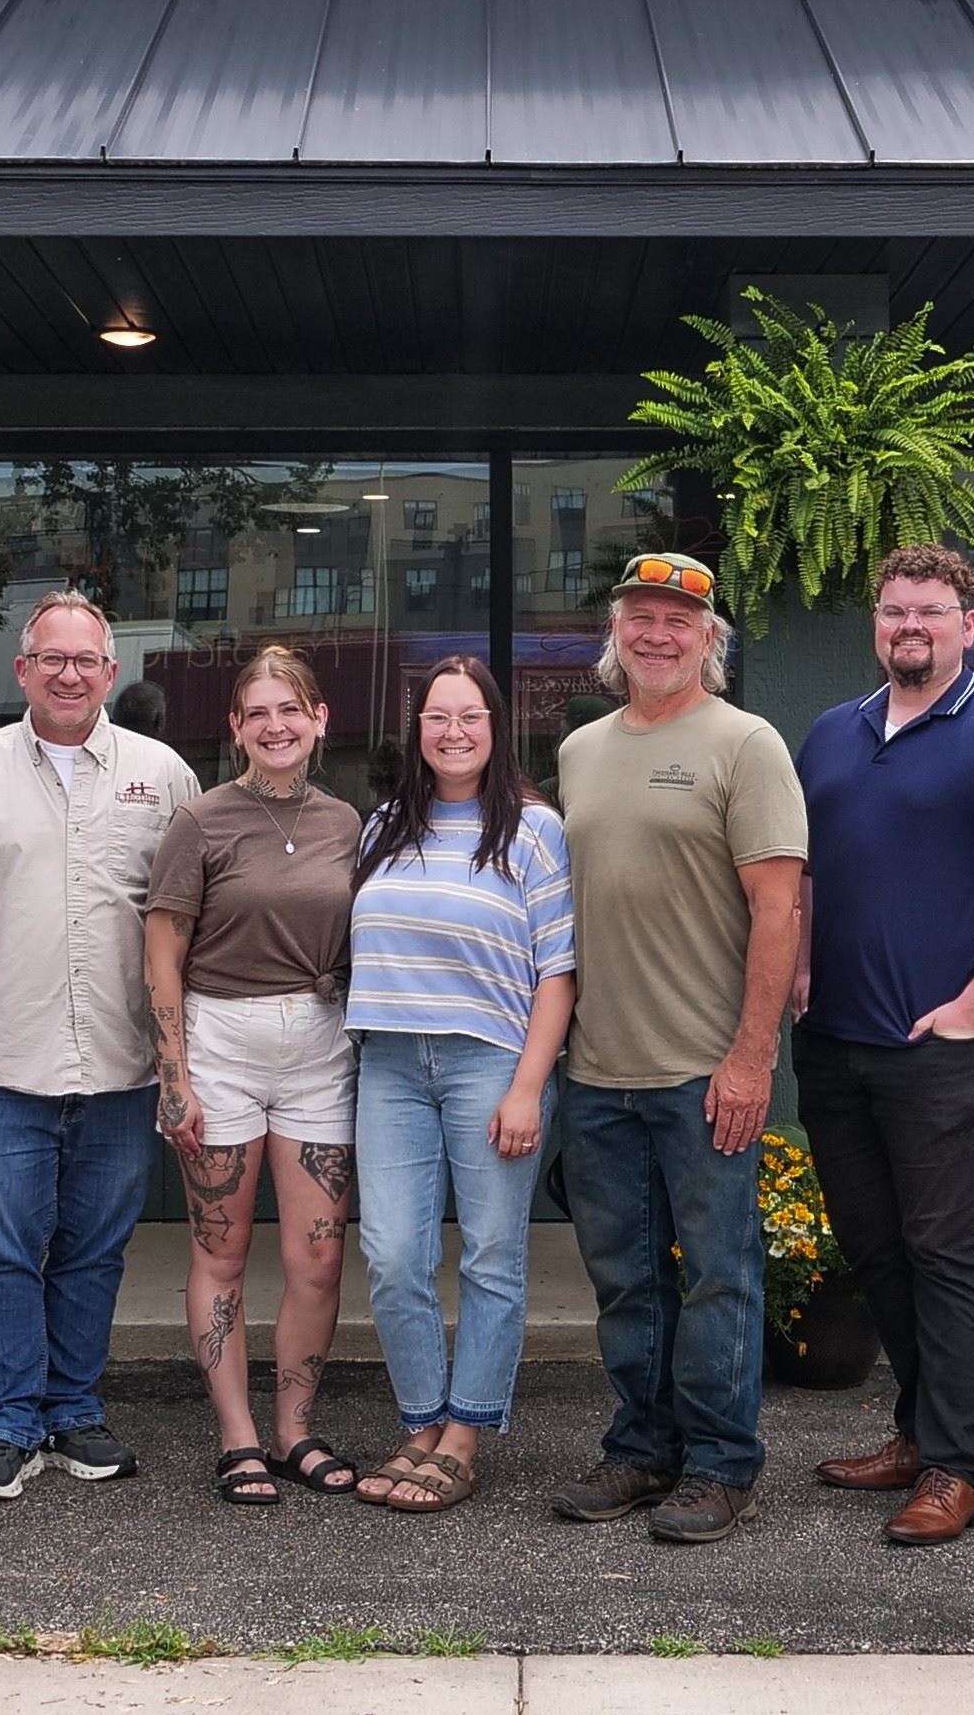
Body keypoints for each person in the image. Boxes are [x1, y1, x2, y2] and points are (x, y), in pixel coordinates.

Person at [794, 546, 974, 1547]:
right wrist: (794, 963)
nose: (906, 626)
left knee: (944, 1247)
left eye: (928, 610)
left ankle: (957, 1465)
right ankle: (915, 1433)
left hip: (948, 1049)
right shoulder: (832, 734)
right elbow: (798, 876)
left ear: (968, 623)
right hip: (835, 1040)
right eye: (890, 611)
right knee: (876, 1247)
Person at [0, 592, 197, 1502]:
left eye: (85, 660)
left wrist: (183, 1056)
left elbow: (191, 917)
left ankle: (72, 1410)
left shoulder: (163, 775)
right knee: (0, 1249)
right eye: (49, 658)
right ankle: (6, 1422)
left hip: (120, 1067)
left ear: (109, 671)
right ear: (23, 671)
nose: (67, 673)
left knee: (96, 1248)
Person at [549, 554, 806, 1546]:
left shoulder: (745, 743)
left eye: (678, 619)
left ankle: (719, 1463)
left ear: (711, 639)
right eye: (639, 617)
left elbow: (778, 905)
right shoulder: (579, 749)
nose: (657, 632)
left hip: (703, 1066)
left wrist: (751, 1056)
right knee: (624, 1276)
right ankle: (639, 1446)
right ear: (615, 635)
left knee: (716, 1273)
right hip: (598, 1067)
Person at [346, 657, 575, 1514]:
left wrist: (527, 1085)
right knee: (395, 1253)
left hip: (491, 1063)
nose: (452, 731)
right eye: (437, 716)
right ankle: (419, 1419)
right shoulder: (380, 830)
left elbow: (558, 971)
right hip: (391, 1065)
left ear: (496, 725)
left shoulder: (534, 831)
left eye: (469, 716)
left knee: (489, 1254)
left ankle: (465, 1431)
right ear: (416, 729)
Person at [144, 646, 363, 1505]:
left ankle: (294, 1429)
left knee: (316, 1257)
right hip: (221, 1038)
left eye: (291, 709)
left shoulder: (347, 823)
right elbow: (161, 948)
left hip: (318, 1039)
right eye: (258, 712)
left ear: (319, 720)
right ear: (235, 727)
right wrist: (174, 1072)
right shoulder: (201, 821)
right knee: (220, 1250)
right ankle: (236, 1433)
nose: (276, 725)